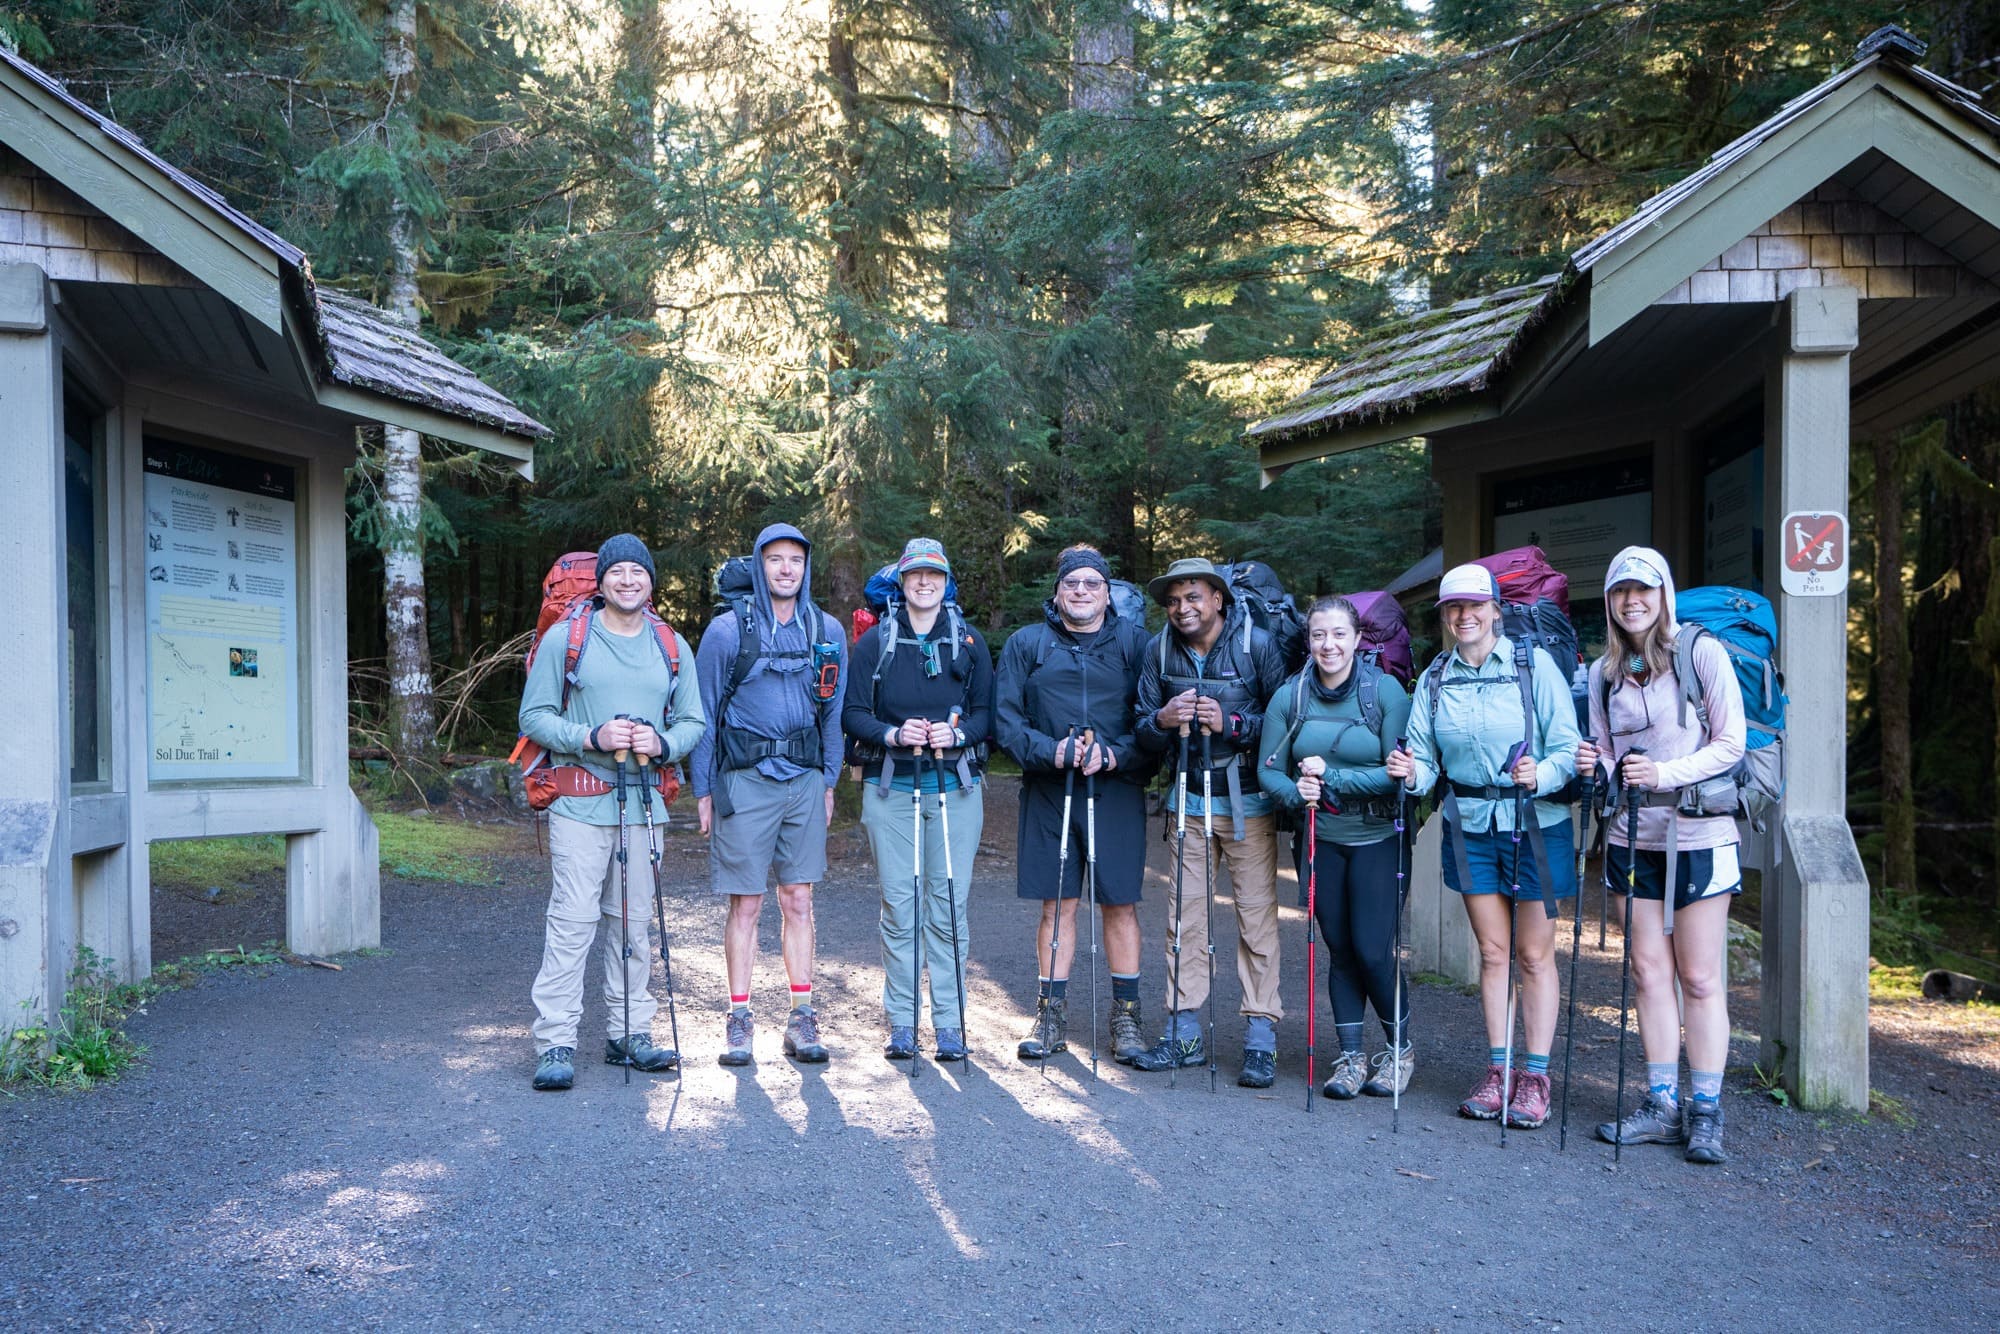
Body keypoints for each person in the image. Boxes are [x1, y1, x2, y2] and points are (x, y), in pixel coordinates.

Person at [1386, 563, 1581, 1129]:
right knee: (1493, 955)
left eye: (1475, 606)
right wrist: (1410, 771)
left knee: (1534, 955)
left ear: (1496, 610)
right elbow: (1424, 759)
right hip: (1469, 821)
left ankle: (1536, 1077)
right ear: (1445, 616)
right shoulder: (1436, 676)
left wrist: (1539, 774)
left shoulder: (1532, 664)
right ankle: (1499, 1072)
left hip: (1534, 822)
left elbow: (1568, 747)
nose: (1464, 616)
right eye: (1454, 608)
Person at [518, 534, 707, 1092]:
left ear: (651, 582)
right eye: (617, 572)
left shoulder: (670, 644)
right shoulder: (567, 639)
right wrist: (590, 734)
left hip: (643, 804)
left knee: (633, 925)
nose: (628, 580)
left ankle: (629, 1032)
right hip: (579, 801)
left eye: (638, 572)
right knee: (572, 923)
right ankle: (555, 1039)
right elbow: (535, 716)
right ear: (601, 581)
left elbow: (693, 721)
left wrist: (662, 744)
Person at [1577, 546, 1745, 1164]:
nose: (1631, 601)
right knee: (1648, 973)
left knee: (1699, 978)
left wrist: (1667, 771)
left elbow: (1733, 742)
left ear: (1664, 594)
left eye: (1643, 590)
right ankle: (1661, 1102)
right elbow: (1602, 745)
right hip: (1631, 838)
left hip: (1700, 834)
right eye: (1621, 592)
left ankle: (1706, 1110)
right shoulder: (1603, 673)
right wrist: (1590, 762)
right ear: (1610, 603)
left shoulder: (1702, 653)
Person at [690, 523, 847, 1067]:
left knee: (799, 899)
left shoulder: (826, 631)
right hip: (743, 781)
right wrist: (703, 789)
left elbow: (833, 713)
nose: (786, 569)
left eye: (795, 560)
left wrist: (829, 780)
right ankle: (738, 1018)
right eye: (775, 559)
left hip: (803, 781)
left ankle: (802, 1017)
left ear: (806, 567)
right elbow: (705, 713)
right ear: (760, 564)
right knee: (747, 903)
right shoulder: (727, 632)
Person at [1128, 558, 1289, 1086]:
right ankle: (1183, 1033)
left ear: (1218, 598)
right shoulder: (1158, 650)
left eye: (1193, 597)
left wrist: (1234, 723)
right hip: (1187, 802)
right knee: (1184, 919)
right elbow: (1141, 726)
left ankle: (1260, 1038)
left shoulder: (1257, 646)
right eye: (1174, 600)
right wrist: (1162, 720)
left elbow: (1287, 721)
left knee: (1256, 919)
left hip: (1249, 804)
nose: (1182, 609)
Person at [995, 544, 1153, 1064]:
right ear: (1057, 591)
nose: (1081, 591)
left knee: (1120, 903)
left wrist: (1114, 755)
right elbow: (1006, 721)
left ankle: (1126, 1019)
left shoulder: (1137, 645)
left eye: (1092, 584)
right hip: (1050, 788)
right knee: (1056, 903)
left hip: (1115, 789)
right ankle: (1050, 1015)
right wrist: (1052, 751)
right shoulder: (1027, 644)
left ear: (1108, 593)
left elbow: (1151, 725)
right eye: (1071, 583)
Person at [842, 538, 995, 1062]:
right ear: (902, 582)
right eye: (915, 575)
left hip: (955, 787)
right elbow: (853, 714)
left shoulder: (969, 641)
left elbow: (985, 716)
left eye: (934, 574)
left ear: (946, 582)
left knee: (948, 908)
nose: (924, 583)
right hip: (892, 787)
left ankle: (951, 1025)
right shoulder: (875, 642)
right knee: (900, 906)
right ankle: (903, 1023)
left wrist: (957, 737)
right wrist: (892, 734)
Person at [1258, 596, 1414, 1099]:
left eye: (1339, 634)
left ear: (1357, 639)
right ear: (1309, 640)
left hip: (1377, 838)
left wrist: (1334, 780)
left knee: (1372, 948)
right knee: (1340, 949)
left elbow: (1397, 777)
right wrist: (1294, 793)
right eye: (1319, 635)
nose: (1329, 644)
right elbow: (1268, 769)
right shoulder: (1291, 696)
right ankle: (1350, 1058)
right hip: (1319, 841)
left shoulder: (1384, 691)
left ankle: (1399, 1050)